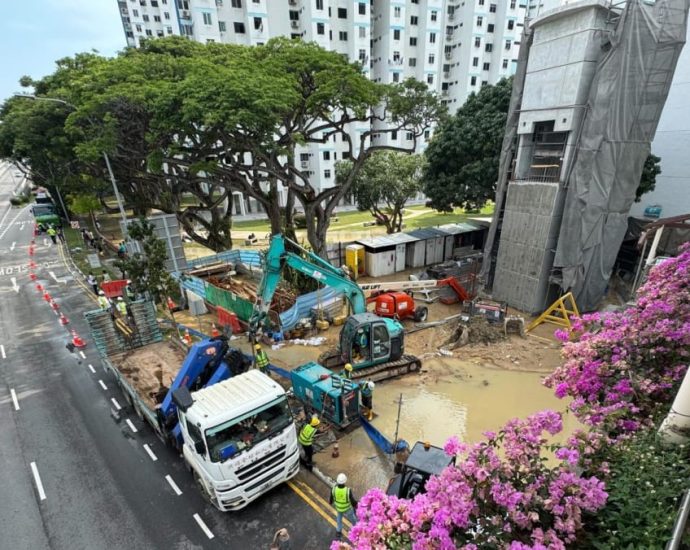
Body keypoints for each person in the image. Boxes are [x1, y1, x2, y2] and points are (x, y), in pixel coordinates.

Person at [329, 473, 358, 540]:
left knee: (339, 520)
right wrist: (357, 505)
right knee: (353, 519)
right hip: (347, 508)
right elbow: (353, 502)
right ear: (345, 481)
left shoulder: (333, 489)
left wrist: (331, 503)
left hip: (339, 508)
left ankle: (338, 532)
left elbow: (331, 500)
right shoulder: (348, 491)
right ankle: (356, 527)